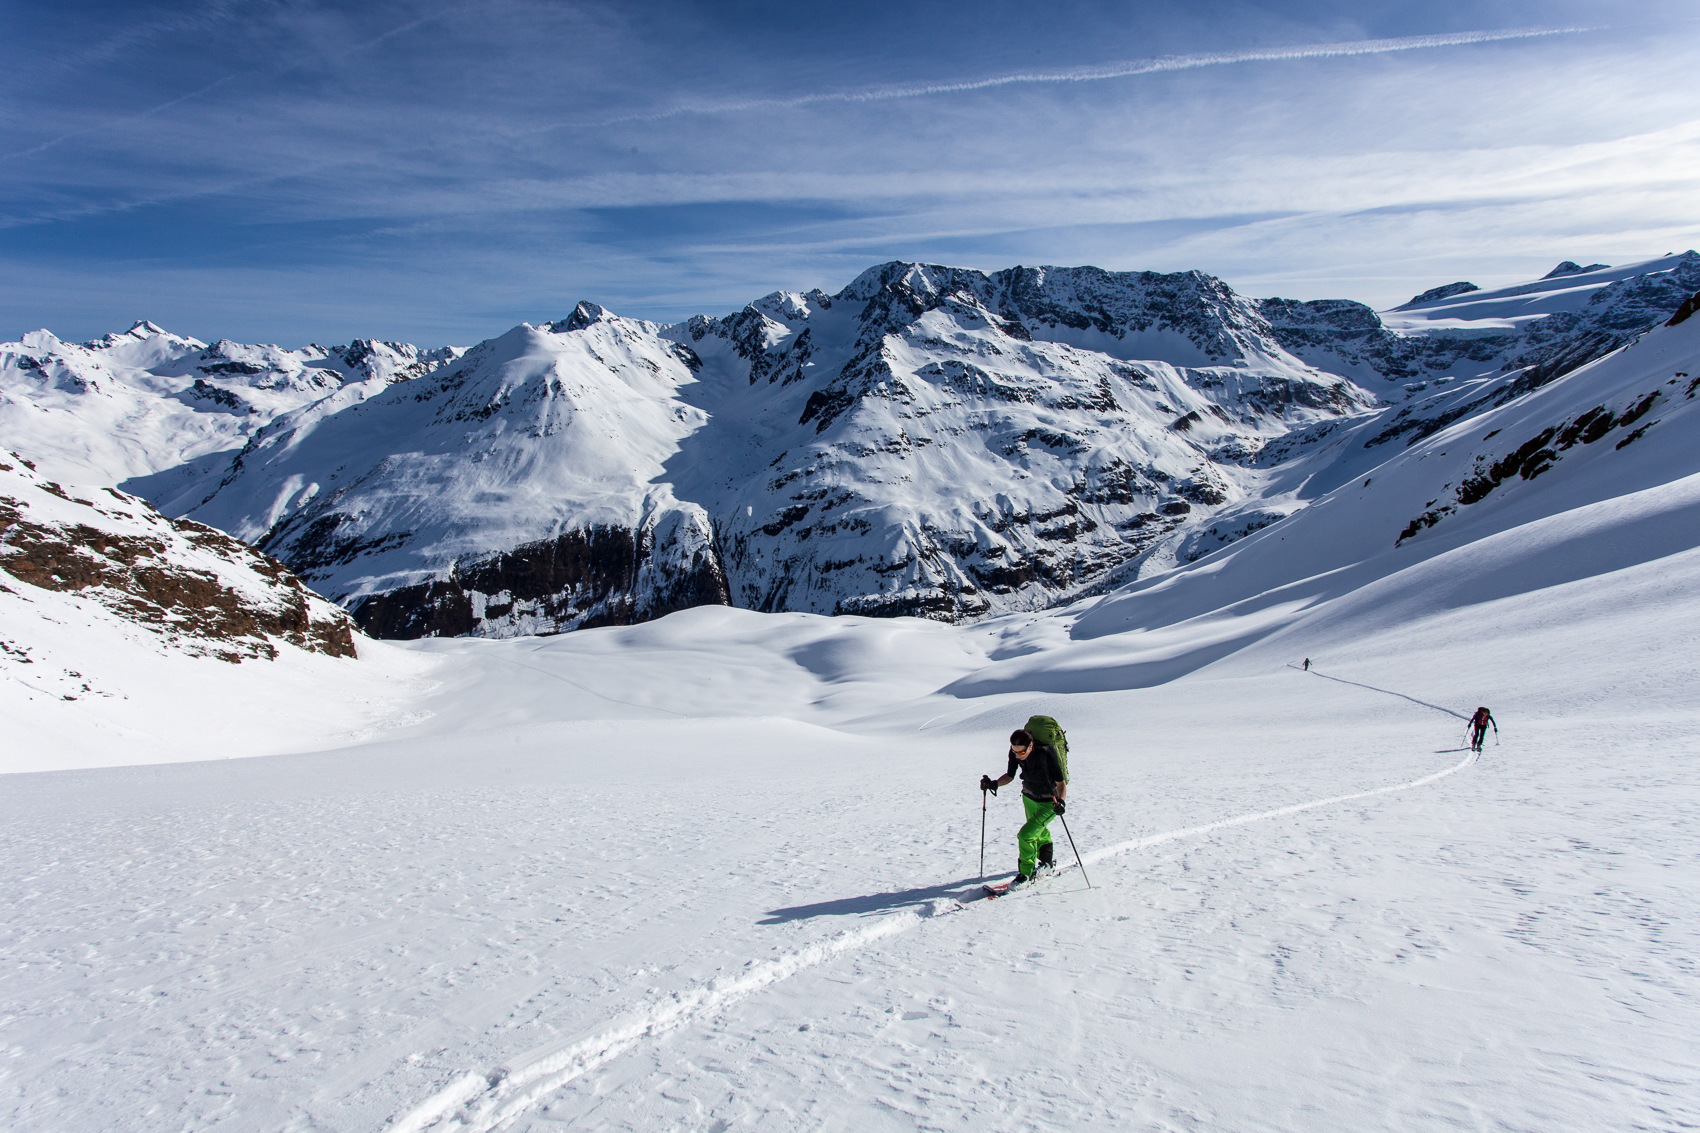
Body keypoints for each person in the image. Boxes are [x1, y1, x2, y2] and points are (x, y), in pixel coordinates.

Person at [980, 727, 1068, 889]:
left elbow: (1061, 783)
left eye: (1021, 752)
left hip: (1049, 802)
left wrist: (1061, 802)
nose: (1017, 755)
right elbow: (1010, 776)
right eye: (1014, 751)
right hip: (1029, 798)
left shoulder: (1046, 753)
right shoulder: (1015, 753)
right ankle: (1047, 863)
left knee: (1026, 835)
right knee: (1038, 831)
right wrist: (994, 783)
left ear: (1031, 746)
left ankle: (1025, 874)